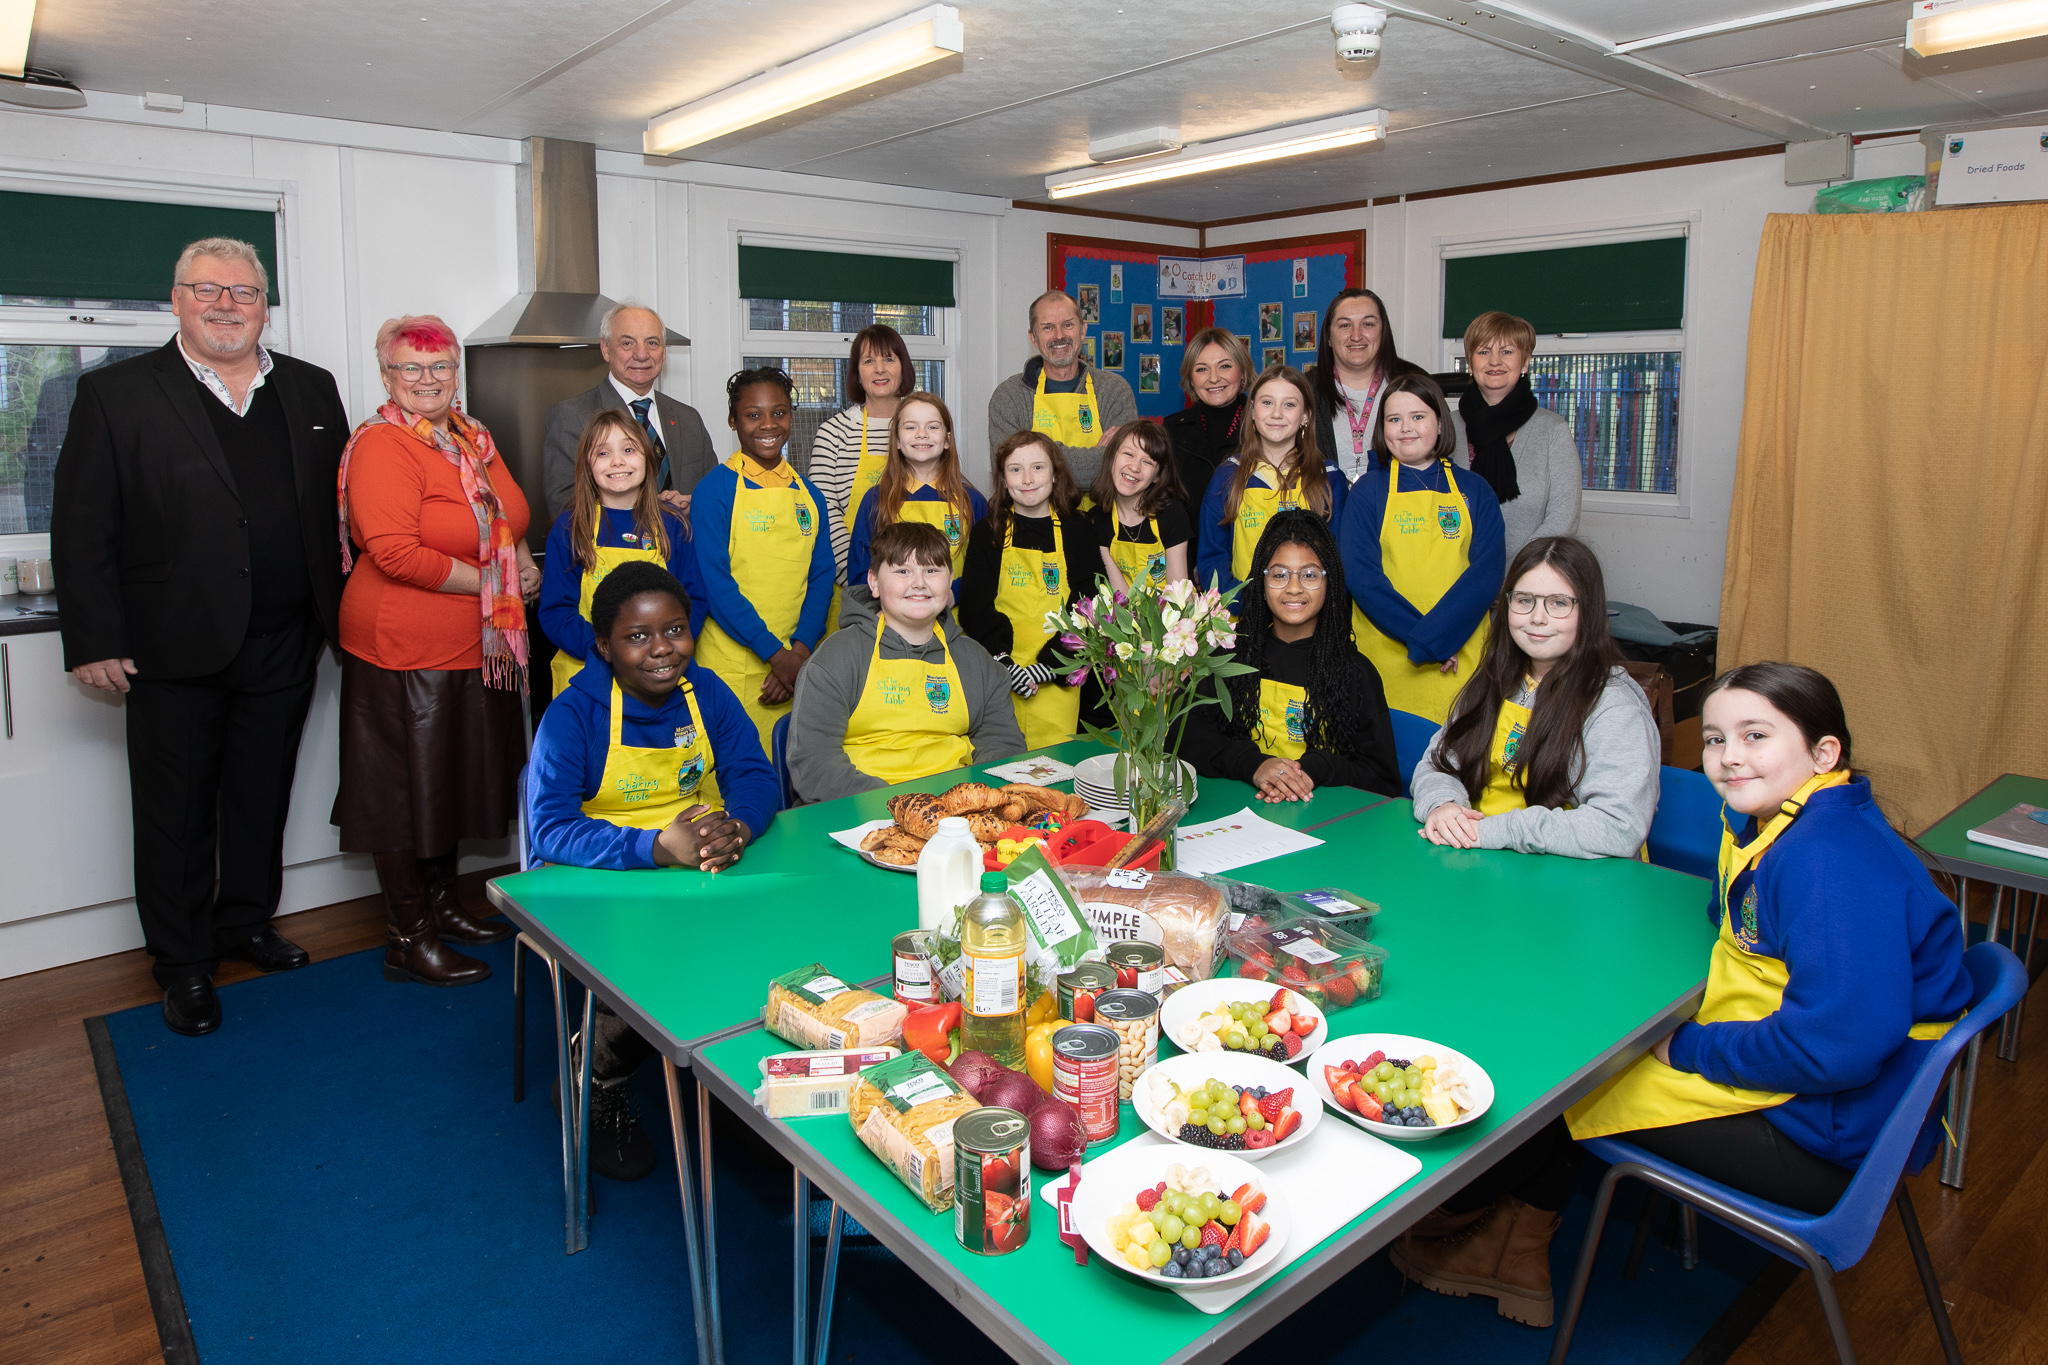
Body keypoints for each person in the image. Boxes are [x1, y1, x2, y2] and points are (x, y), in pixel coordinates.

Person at [1390, 663, 1971, 1329]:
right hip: (1832, 1089)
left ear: (1824, 751)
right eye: (1717, 740)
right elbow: (1757, 923)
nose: (1729, 758)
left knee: (1564, 1074)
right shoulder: (1795, 818)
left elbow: (1834, 1049)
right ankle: (1503, 1227)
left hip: (1830, 1133)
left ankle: (1497, 1238)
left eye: (1756, 736)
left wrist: (1687, 1045)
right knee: (1586, 1039)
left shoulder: (1828, 860)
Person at [51, 237, 348, 1036]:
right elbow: (82, 527)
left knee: (261, 796)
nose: (227, 305)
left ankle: (244, 922)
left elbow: (335, 514)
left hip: (286, 638)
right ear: (176, 299)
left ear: (264, 305)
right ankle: (183, 962)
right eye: (208, 289)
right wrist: (92, 637)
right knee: (176, 812)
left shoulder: (313, 388)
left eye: (244, 292)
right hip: (170, 645)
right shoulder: (117, 394)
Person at [527, 560, 777, 1179]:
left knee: (771, 947)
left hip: (700, 869)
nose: (662, 649)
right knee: (649, 967)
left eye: (675, 630)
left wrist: (737, 827)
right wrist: (655, 849)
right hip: (601, 880)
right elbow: (549, 829)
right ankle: (598, 1077)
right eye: (638, 636)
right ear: (605, 647)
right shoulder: (573, 715)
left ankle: (732, 1086)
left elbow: (753, 774)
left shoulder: (708, 691)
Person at [334, 314, 538, 988]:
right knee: (402, 793)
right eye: (410, 367)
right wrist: (492, 579)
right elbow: (391, 551)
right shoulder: (381, 446)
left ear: (458, 371)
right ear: (386, 375)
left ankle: (446, 906)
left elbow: (508, 515)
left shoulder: (472, 436)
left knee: (448, 780)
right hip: (402, 646)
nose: (428, 379)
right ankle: (407, 933)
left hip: (474, 647)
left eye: (440, 366)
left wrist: (523, 561)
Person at [1410, 536, 1658, 856]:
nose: (1537, 617)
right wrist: (1443, 806)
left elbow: (1618, 827)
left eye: (1558, 603)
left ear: (1589, 611)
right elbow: (1438, 764)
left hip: (1571, 883)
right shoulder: (1491, 681)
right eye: (1524, 600)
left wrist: (1492, 831)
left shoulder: (1613, 706)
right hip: (1483, 858)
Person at [788, 522, 1025, 802]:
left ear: (950, 581)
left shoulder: (977, 662)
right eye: (903, 571)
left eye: (932, 570)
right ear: (874, 582)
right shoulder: (835, 660)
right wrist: (904, 807)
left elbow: (1004, 745)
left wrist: (961, 802)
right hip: (859, 815)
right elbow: (815, 766)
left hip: (956, 814)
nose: (919, 583)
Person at [1179, 510, 1399, 802]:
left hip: (1328, 829)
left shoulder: (1356, 673)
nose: (1294, 588)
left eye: (1309, 575)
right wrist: (1254, 764)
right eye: (1280, 575)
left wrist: (1319, 767)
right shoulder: (1229, 657)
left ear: (1329, 581)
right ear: (1261, 581)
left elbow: (1383, 781)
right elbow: (1184, 739)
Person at [1340, 373, 1504, 725]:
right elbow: (1363, 579)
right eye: (1393, 419)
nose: (1405, 428)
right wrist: (1426, 640)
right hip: (1387, 652)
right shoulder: (1367, 491)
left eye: (1418, 417)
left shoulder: (1475, 490)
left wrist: (1440, 639)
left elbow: (1485, 575)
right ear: (1382, 429)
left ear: (1441, 424)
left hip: (1461, 649)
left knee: (1458, 760)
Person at [689, 368, 836, 752]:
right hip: (733, 667)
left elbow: (821, 577)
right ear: (733, 420)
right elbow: (716, 585)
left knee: (789, 778)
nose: (768, 424)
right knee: (731, 779)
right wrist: (775, 655)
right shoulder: (714, 491)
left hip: (794, 662)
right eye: (753, 415)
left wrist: (799, 653)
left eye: (780, 412)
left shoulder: (810, 494)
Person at [538, 410, 697, 698]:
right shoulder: (570, 528)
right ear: (587, 465)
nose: (617, 461)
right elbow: (556, 612)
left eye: (628, 449)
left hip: (660, 671)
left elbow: (693, 600)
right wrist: (613, 652)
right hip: (588, 674)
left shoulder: (673, 525)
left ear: (649, 460)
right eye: (602, 453)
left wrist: (663, 651)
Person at [958, 432, 1100, 748]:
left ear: (1055, 474)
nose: (1027, 479)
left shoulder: (1078, 531)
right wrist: (1004, 665)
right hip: (997, 678)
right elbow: (973, 607)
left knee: (1055, 774)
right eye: (1015, 469)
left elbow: (1089, 605)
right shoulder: (987, 533)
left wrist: (1049, 666)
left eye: (1037, 467)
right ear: (1003, 478)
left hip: (1057, 674)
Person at [541, 301, 715, 522]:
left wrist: (695, 504)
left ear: (663, 352)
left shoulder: (688, 419)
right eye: (627, 343)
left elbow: (714, 496)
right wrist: (655, 509)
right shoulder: (572, 416)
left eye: (652, 343)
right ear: (605, 349)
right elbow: (565, 507)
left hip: (685, 552)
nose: (642, 354)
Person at [1195, 365, 1347, 597]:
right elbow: (1211, 559)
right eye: (1267, 403)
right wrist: (1243, 603)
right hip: (1243, 620)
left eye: (1289, 404)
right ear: (1253, 412)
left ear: (1305, 415)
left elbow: (1340, 562)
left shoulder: (1329, 477)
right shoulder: (1227, 477)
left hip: (1311, 618)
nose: (1277, 413)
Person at [1449, 311, 1582, 560]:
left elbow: (1564, 519)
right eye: (1483, 351)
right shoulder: (1446, 428)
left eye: (1507, 351)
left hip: (1527, 581)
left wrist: (1518, 575)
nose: (1495, 361)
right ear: (1470, 362)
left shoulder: (1553, 430)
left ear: (1525, 362)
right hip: (1455, 580)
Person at [844, 391, 987, 610]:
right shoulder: (876, 500)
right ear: (898, 441)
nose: (922, 434)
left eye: (933, 426)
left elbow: (984, 570)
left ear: (947, 439)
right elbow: (861, 574)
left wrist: (952, 595)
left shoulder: (972, 501)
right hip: (892, 626)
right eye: (911, 427)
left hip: (959, 623)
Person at [987, 290, 1137, 487]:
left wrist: (1037, 463)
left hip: (1101, 516)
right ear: (1033, 337)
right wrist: (1101, 458)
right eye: (1048, 327)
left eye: (1068, 325)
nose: (1059, 336)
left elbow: (1127, 469)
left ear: (1082, 330)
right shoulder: (1009, 397)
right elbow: (1010, 473)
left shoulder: (1115, 391)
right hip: (1033, 517)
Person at [808, 324, 915, 599]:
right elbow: (824, 514)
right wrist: (862, 581)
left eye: (889, 359)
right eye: (869, 361)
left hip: (916, 586)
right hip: (852, 585)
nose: (880, 369)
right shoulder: (833, 432)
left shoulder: (923, 427)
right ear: (857, 372)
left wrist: (909, 582)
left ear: (903, 367)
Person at [1307, 288, 1425, 486]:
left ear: (1383, 332)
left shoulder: (1415, 382)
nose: (1356, 336)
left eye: (1368, 324)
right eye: (1345, 325)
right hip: (1325, 512)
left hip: (1401, 510)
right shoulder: (1305, 390)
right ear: (1328, 337)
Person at [1160, 328, 1250, 524]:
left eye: (1224, 366)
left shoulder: (1264, 425)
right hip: (1188, 550)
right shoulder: (1172, 429)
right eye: (1202, 369)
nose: (1214, 378)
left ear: (1242, 371)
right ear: (1191, 380)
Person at [1091, 419, 1191, 596]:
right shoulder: (1097, 519)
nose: (1135, 467)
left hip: (1169, 618)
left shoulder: (1172, 515)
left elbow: (1180, 597)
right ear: (1112, 456)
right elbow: (1121, 599)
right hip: (1124, 619)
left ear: (1157, 476)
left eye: (1148, 462)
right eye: (1129, 454)